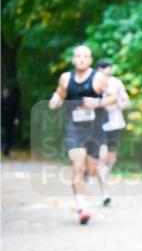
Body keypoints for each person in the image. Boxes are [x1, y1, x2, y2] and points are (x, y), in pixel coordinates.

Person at [48, 45, 118, 224]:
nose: (81, 59)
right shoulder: (66, 78)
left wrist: (98, 102)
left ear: (90, 60)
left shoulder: (99, 78)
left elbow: (113, 97)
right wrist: (55, 100)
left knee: (92, 169)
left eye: (85, 56)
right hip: (74, 128)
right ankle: (81, 206)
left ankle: (85, 188)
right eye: (78, 56)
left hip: (95, 129)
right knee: (77, 165)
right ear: (73, 59)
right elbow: (59, 94)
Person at [96, 58, 130, 201]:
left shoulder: (116, 83)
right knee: (101, 157)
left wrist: (117, 104)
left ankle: (105, 173)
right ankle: (105, 190)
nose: (107, 69)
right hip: (98, 125)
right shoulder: (94, 83)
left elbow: (126, 101)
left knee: (112, 156)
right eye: (104, 67)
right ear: (99, 69)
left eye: (108, 67)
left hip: (114, 123)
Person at [1, 84, 21, 157]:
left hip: (10, 122)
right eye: (4, 92)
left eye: (7, 92)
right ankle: (4, 148)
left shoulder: (13, 101)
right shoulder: (1, 101)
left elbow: (17, 110)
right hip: (3, 122)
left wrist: (17, 118)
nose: (5, 93)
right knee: (3, 135)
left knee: (10, 136)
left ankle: (7, 150)